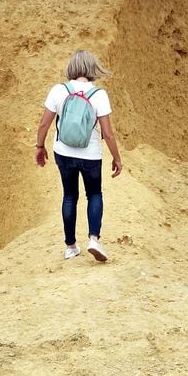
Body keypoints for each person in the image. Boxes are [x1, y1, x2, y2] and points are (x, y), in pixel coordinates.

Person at [35, 49, 122, 261]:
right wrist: (116, 158)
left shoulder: (58, 90)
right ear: (93, 69)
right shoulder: (99, 95)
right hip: (90, 154)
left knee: (69, 196)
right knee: (94, 194)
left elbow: (44, 123)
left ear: (72, 68)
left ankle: (71, 246)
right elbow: (108, 133)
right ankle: (93, 238)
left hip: (62, 152)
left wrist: (40, 146)